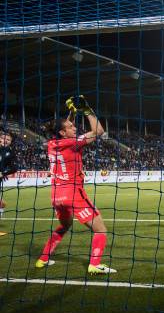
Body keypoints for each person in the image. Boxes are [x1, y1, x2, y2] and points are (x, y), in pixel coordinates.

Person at [36, 95, 116, 274]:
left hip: (57, 196)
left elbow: (64, 128)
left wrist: (72, 112)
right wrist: (87, 110)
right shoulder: (73, 143)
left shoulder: (52, 143)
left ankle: (43, 258)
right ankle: (94, 264)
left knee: (65, 225)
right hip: (73, 193)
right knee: (100, 229)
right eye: (71, 126)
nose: (75, 126)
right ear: (63, 133)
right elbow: (99, 131)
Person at [0, 131, 17, 236]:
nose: (5, 141)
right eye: (3, 138)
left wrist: (3, 173)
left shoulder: (10, 153)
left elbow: (14, 168)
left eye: (8, 140)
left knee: (1, 204)